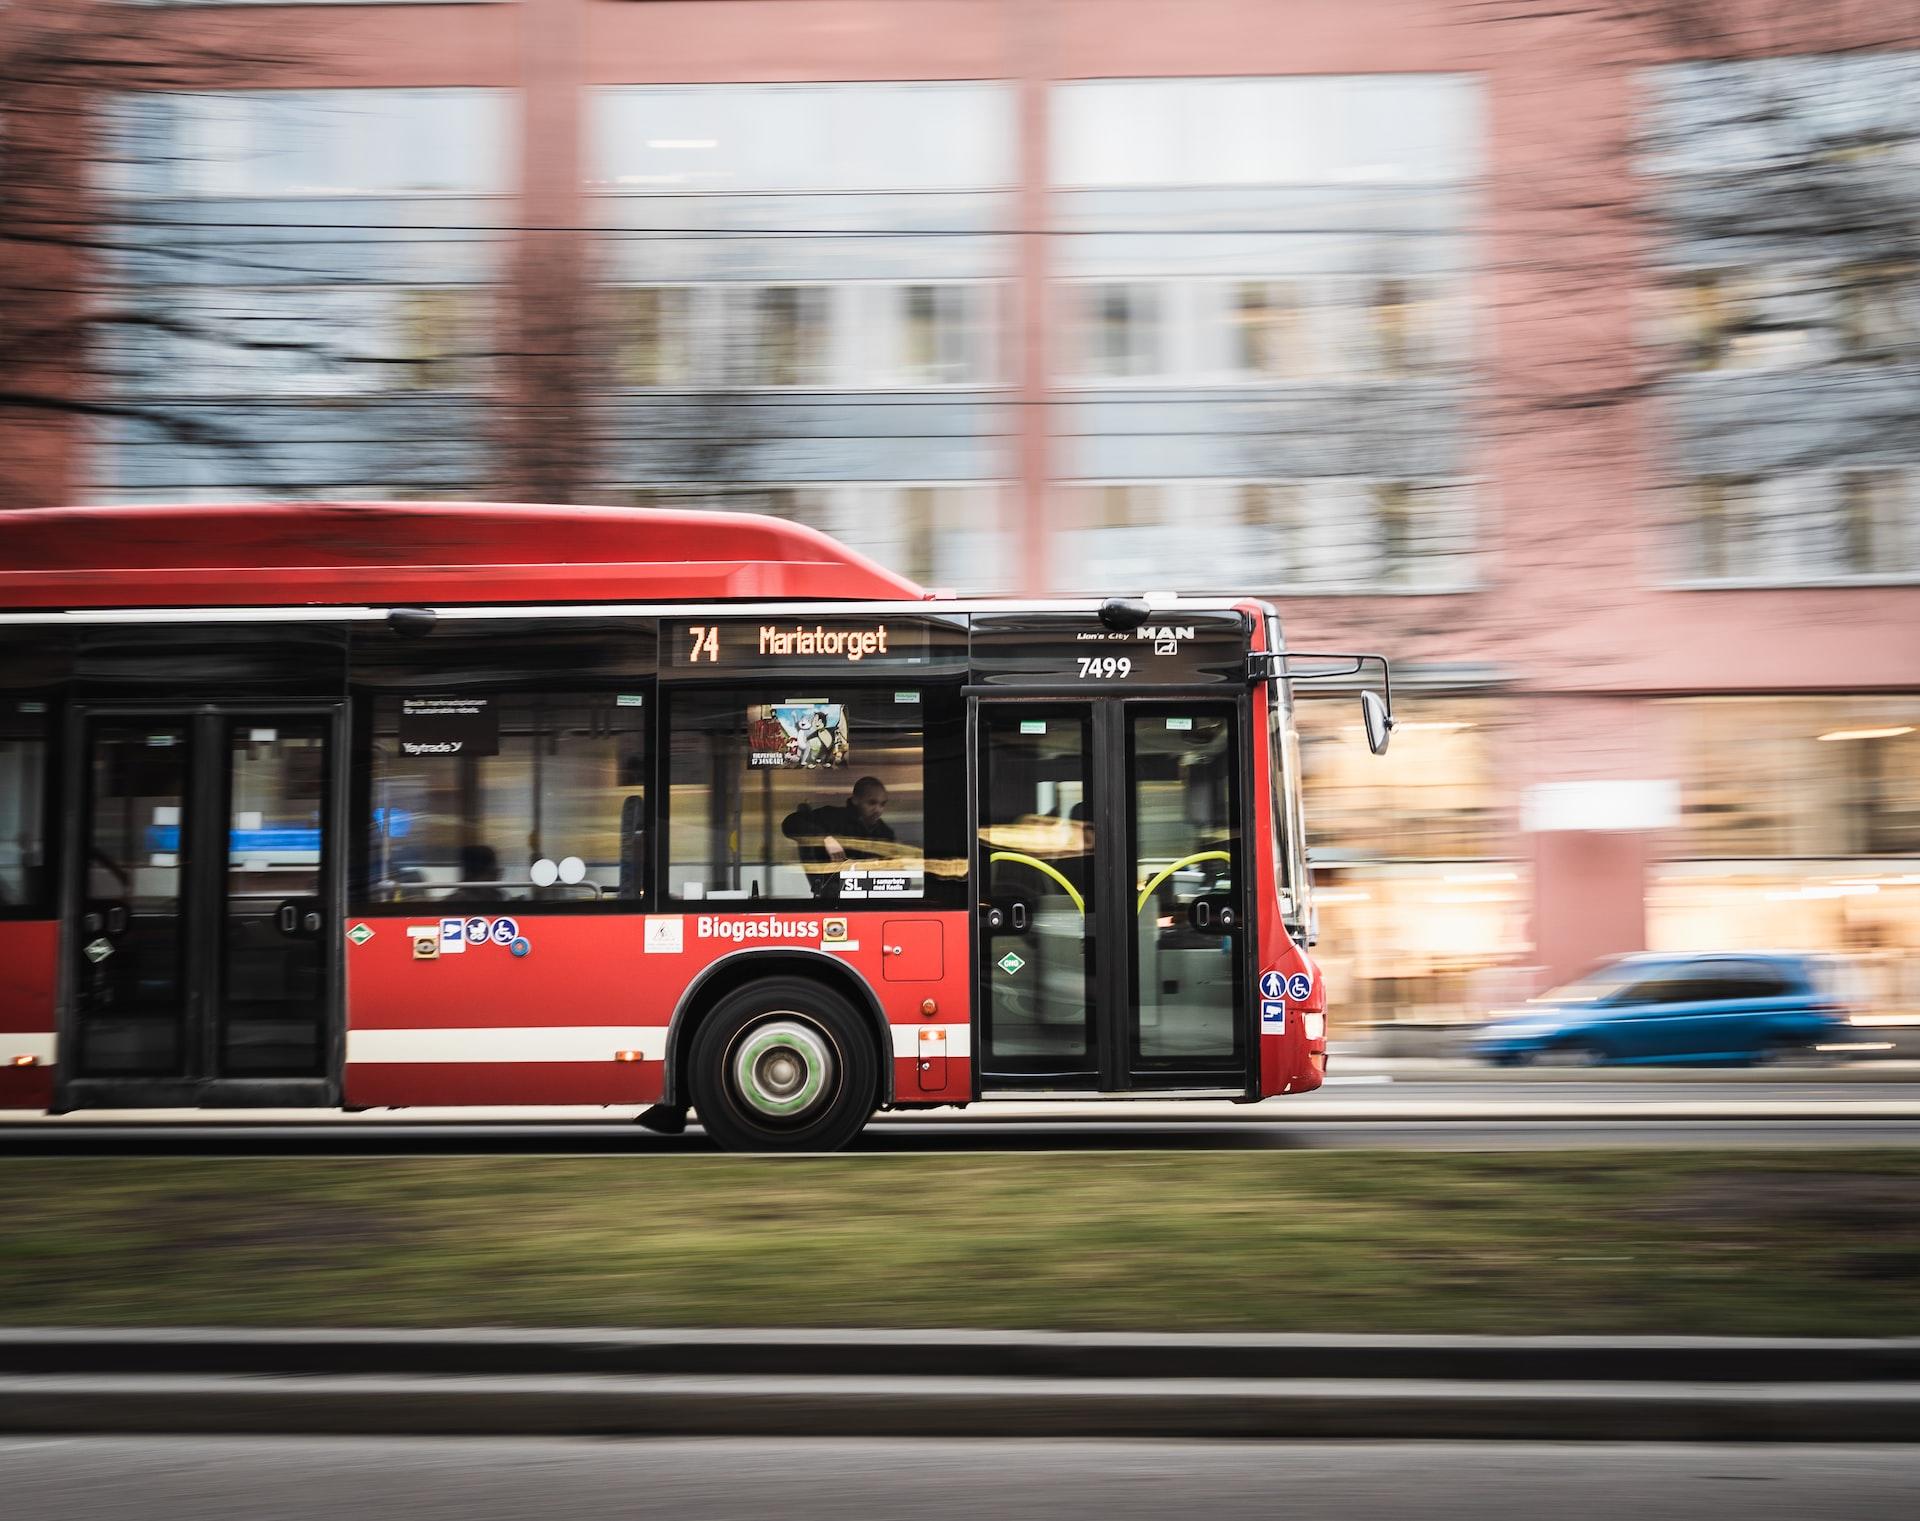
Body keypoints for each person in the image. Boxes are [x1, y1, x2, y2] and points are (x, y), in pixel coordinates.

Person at [782, 776, 896, 902]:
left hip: (873, 901)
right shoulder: (831, 818)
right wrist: (825, 838)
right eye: (872, 803)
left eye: (882, 804)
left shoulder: (885, 833)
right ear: (856, 800)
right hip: (831, 901)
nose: (878, 810)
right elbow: (791, 824)